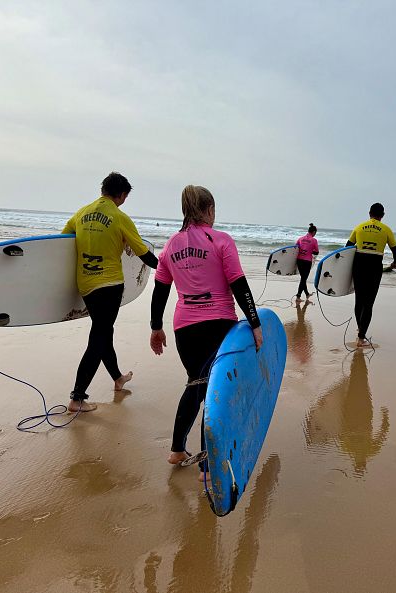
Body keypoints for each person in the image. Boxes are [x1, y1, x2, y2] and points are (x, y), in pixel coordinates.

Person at [149, 185, 263, 478]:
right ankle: (207, 465)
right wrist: (255, 324)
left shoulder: (171, 246)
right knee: (214, 391)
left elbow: (160, 290)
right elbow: (239, 284)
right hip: (218, 325)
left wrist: (156, 328)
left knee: (196, 384)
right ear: (209, 210)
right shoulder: (221, 240)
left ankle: (177, 450)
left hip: (184, 328)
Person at [63, 172, 158, 412]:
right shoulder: (119, 217)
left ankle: (117, 378)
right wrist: (167, 269)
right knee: (99, 338)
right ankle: (77, 397)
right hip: (109, 287)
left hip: (85, 286)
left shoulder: (81, 213)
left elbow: (62, 241)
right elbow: (142, 253)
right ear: (123, 195)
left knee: (104, 332)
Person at [346, 203, 396, 348]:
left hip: (358, 266)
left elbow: (347, 248)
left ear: (369, 213)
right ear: (382, 215)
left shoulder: (359, 227)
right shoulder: (386, 229)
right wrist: (395, 263)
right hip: (374, 267)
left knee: (359, 300)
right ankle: (361, 337)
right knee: (369, 303)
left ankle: (360, 329)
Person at [295, 223, 319, 302]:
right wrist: (311, 252)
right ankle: (298, 296)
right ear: (314, 232)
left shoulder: (300, 239)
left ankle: (307, 294)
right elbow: (316, 252)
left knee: (303, 278)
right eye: (315, 232)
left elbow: (295, 249)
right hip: (307, 261)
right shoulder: (314, 240)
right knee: (303, 279)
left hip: (299, 261)